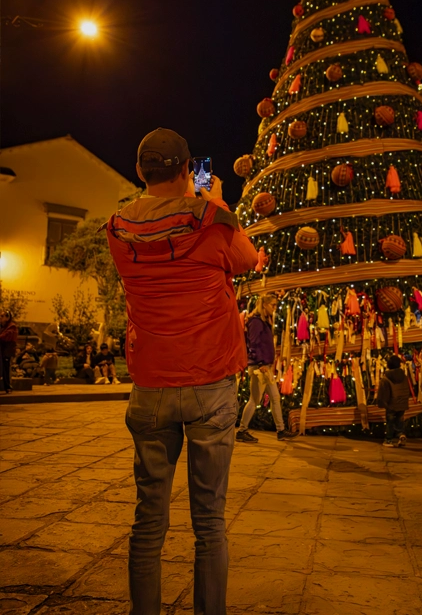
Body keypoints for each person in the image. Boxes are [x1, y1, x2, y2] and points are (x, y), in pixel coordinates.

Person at [106, 127, 258, 615]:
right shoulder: (212, 219)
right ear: (188, 169)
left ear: (139, 171)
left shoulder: (117, 228)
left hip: (149, 386)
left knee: (148, 520)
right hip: (210, 383)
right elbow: (249, 259)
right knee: (209, 523)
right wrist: (211, 201)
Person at [236, 294, 296, 443]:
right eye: (273, 305)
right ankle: (242, 431)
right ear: (264, 305)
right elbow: (253, 344)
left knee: (274, 398)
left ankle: (281, 430)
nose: (275, 308)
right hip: (259, 367)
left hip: (264, 366)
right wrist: (262, 363)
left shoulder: (263, 321)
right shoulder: (256, 322)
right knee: (254, 399)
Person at [376, 354, 410, 447]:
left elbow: (383, 392)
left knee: (390, 421)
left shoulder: (386, 378)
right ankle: (401, 435)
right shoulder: (404, 376)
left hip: (391, 404)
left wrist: (382, 402)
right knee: (400, 419)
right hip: (402, 402)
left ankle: (388, 440)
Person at [0, 310, 18, 394]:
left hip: (7, 351)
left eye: (2, 316)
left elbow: (5, 336)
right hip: (2, 351)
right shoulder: (3, 326)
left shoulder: (12, 326)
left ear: (7, 317)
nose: (1, 318)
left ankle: (8, 387)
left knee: (6, 369)